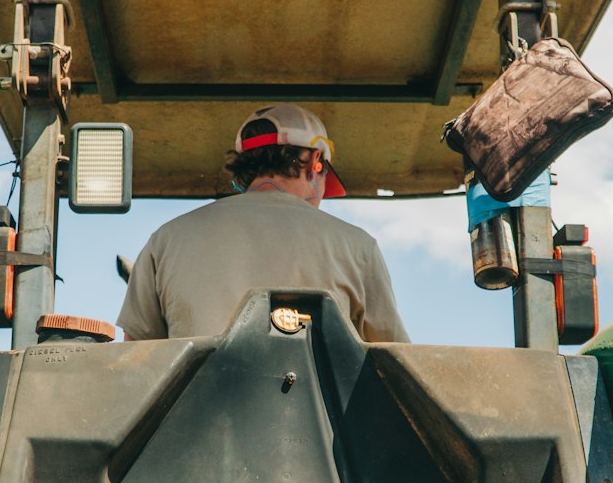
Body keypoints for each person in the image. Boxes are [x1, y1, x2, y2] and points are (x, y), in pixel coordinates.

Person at [118, 104, 409, 342]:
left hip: (199, 413)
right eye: (324, 176)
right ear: (313, 161)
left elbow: (135, 359)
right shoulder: (358, 247)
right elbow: (396, 365)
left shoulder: (167, 239)